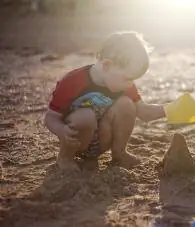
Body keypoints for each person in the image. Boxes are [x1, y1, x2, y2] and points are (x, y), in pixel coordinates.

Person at [44, 31, 166, 172]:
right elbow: (51, 117)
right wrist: (61, 130)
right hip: (76, 140)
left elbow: (144, 112)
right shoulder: (73, 81)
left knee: (126, 104)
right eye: (128, 78)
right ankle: (65, 158)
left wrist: (172, 109)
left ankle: (119, 153)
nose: (130, 84)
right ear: (107, 65)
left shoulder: (124, 84)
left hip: (103, 139)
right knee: (85, 117)